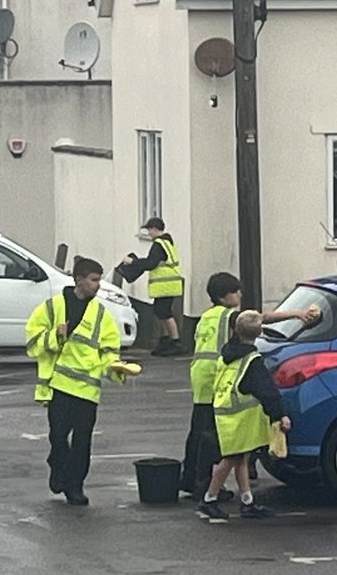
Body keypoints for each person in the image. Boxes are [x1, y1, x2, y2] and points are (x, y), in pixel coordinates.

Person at [181, 272, 312, 497]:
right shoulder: (229, 316)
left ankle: (189, 478)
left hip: (201, 376)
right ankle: (204, 485)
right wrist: (296, 314)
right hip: (216, 378)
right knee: (210, 437)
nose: (240, 294)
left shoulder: (206, 316)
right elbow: (259, 319)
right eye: (236, 291)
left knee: (198, 431)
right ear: (224, 297)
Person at [25, 257, 134, 506]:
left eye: (99, 280)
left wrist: (115, 367)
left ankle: (75, 486)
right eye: (94, 280)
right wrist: (55, 336)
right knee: (59, 437)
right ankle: (57, 465)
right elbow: (32, 342)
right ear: (79, 280)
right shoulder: (52, 307)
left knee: (83, 441)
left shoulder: (102, 314)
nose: (98, 285)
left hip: (87, 389)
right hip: (59, 386)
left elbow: (108, 349)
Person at [199, 310, 290, 521]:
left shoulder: (227, 352)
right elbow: (267, 391)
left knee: (241, 457)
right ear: (259, 334)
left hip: (224, 412)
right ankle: (209, 499)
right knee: (231, 458)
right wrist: (280, 416)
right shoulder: (252, 361)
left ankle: (247, 501)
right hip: (239, 417)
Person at [119, 217, 184, 357]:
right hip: (169, 285)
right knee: (160, 311)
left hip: (166, 285)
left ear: (155, 229)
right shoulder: (167, 242)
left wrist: (133, 262)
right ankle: (166, 339)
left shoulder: (159, 244)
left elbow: (151, 263)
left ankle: (175, 341)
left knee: (165, 313)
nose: (148, 233)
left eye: (149, 230)